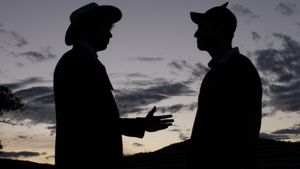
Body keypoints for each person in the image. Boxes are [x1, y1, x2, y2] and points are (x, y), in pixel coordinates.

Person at [53, 3, 173, 169]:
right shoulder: (79, 62)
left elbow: (97, 119)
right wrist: (142, 125)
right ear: (90, 28)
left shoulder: (79, 61)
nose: (110, 35)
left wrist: (141, 125)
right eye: (106, 27)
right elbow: (94, 122)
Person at [186, 2, 262, 169]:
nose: (196, 33)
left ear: (219, 29)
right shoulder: (222, 70)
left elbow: (238, 133)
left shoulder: (239, 69)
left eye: (202, 27)